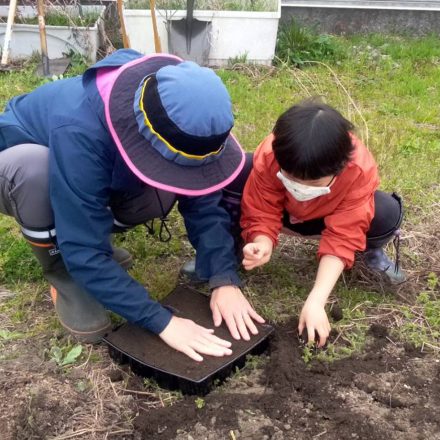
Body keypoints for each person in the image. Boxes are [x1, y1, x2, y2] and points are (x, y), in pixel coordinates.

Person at [0, 49, 264, 362]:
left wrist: (223, 277)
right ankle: (63, 272)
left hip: (90, 165)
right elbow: (82, 248)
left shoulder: (178, 103)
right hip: (22, 161)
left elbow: (202, 194)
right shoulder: (79, 128)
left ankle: (99, 249)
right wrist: (161, 321)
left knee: (164, 185)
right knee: (34, 171)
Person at [238, 99, 404, 347]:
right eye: (293, 179)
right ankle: (230, 249)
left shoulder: (357, 170)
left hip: (326, 219)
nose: (301, 188)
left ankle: (370, 254)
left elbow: (344, 235)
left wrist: (316, 300)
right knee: (236, 171)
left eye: (313, 183)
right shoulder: (271, 155)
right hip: (285, 215)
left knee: (385, 212)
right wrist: (261, 240)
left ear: (339, 168)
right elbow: (260, 207)